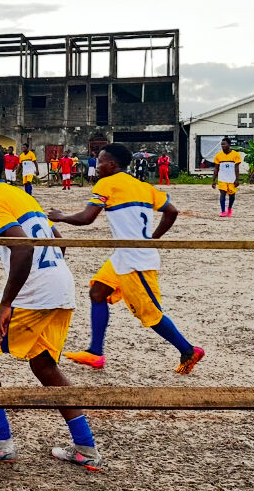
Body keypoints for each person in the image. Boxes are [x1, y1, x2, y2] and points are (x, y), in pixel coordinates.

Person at [0, 143, 100, 470]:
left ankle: (0, 441)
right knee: (43, 364)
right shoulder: (21, 195)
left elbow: (22, 249)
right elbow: (56, 239)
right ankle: (86, 447)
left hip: (36, 289)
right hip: (61, 285)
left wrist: (9, 302)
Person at [49, 143, 204, 375]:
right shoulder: (143, 186)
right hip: (125, 254)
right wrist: (153, 238)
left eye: (99, 161)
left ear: (112, 165)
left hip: (136, 260)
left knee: (150, 314)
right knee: (98, 292)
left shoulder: (107, 183)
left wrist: (61, 217)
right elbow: (171, 210)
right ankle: (95, 352)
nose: (97, 166)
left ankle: (188, 350)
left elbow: (87, 218)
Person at [212, 138, 243, 217]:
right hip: (222, 178)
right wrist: (213, 180)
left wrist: (237, 179)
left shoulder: (235, 155)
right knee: (222, 194)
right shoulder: (218, 155)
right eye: (221, 144)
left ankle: (229, 209)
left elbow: (237, 168)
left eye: (224, 144)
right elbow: (216, 168)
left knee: (232, 195)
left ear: (229, 145)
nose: (223, 146)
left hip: (232, 178)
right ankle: (223, 211)